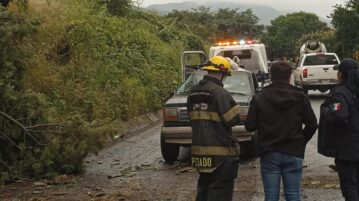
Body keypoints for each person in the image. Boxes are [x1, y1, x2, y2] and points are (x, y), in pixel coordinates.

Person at [245, 61, 318, 201]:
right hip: (293, 150)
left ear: (271, 76)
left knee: (271, 196)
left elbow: (250, 126)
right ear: (290, 76)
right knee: (293, 195)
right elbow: (312, 124)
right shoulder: (300, 97)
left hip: (269, 152)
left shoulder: (260, 98)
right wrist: (301, 141)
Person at [187, 56, 241, 201]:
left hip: (200, 153)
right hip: (220, 152)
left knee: (203, 189)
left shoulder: (193, 92)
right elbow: (233, 120)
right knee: (220, 191)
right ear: (222, 73)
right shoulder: (220, 92)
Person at [319, 58, 359, 201]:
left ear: (342, 74)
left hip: (347, 150)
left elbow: (339, 117)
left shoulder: (340, 93)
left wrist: (325, 109)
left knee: (349, 185)